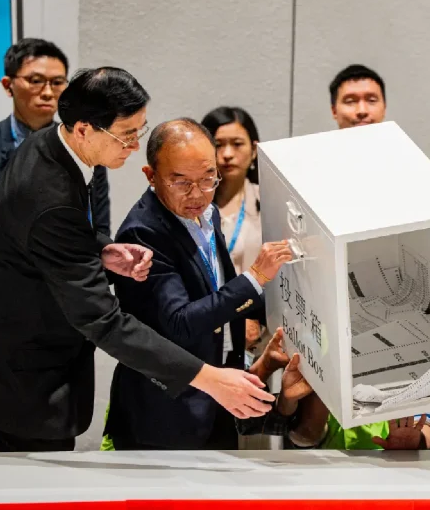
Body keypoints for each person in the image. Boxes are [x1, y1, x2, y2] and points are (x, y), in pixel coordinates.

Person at [0, 67, 275, 453]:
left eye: (139, 130)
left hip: (14, 359)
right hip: (6, 380)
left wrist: (100, 250)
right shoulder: (50, 194)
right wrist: (209, 379)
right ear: (84, 129)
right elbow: (104, 322)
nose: (134, 145)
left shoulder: (54, 145)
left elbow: (46, 238)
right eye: (126, 134)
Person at [103, 118, 294, 450]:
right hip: (164, 411)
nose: (197, 194)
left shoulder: (208, 212)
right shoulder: (142, 233)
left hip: (218, 397)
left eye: (208, 178)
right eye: (181, 182)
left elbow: (216, 286)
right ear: (151, 176)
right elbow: (179, 323)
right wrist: (254, 278)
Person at [288, 64, 430, 450]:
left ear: (384, 107)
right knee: (316, 444)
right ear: (334, 110)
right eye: (350, 101)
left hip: (397, 320)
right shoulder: (310, 176)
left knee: (400, 449)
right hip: (328, 323)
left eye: (370, 100)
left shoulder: (411, 174)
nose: (361, 110)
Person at [0, 38, 110, 304]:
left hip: (61, 297)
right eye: (35, 81)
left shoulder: (86, 148)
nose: (48, 92)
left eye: (57, 82)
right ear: (8, 85)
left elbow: (96, 229)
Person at [201, 107, 265, 357]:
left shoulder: (268, 203)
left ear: (254, 149)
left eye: (237, 144)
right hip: (203, 327)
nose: (227, 154)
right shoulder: (192, 205)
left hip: (254, 334)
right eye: (218, 145)